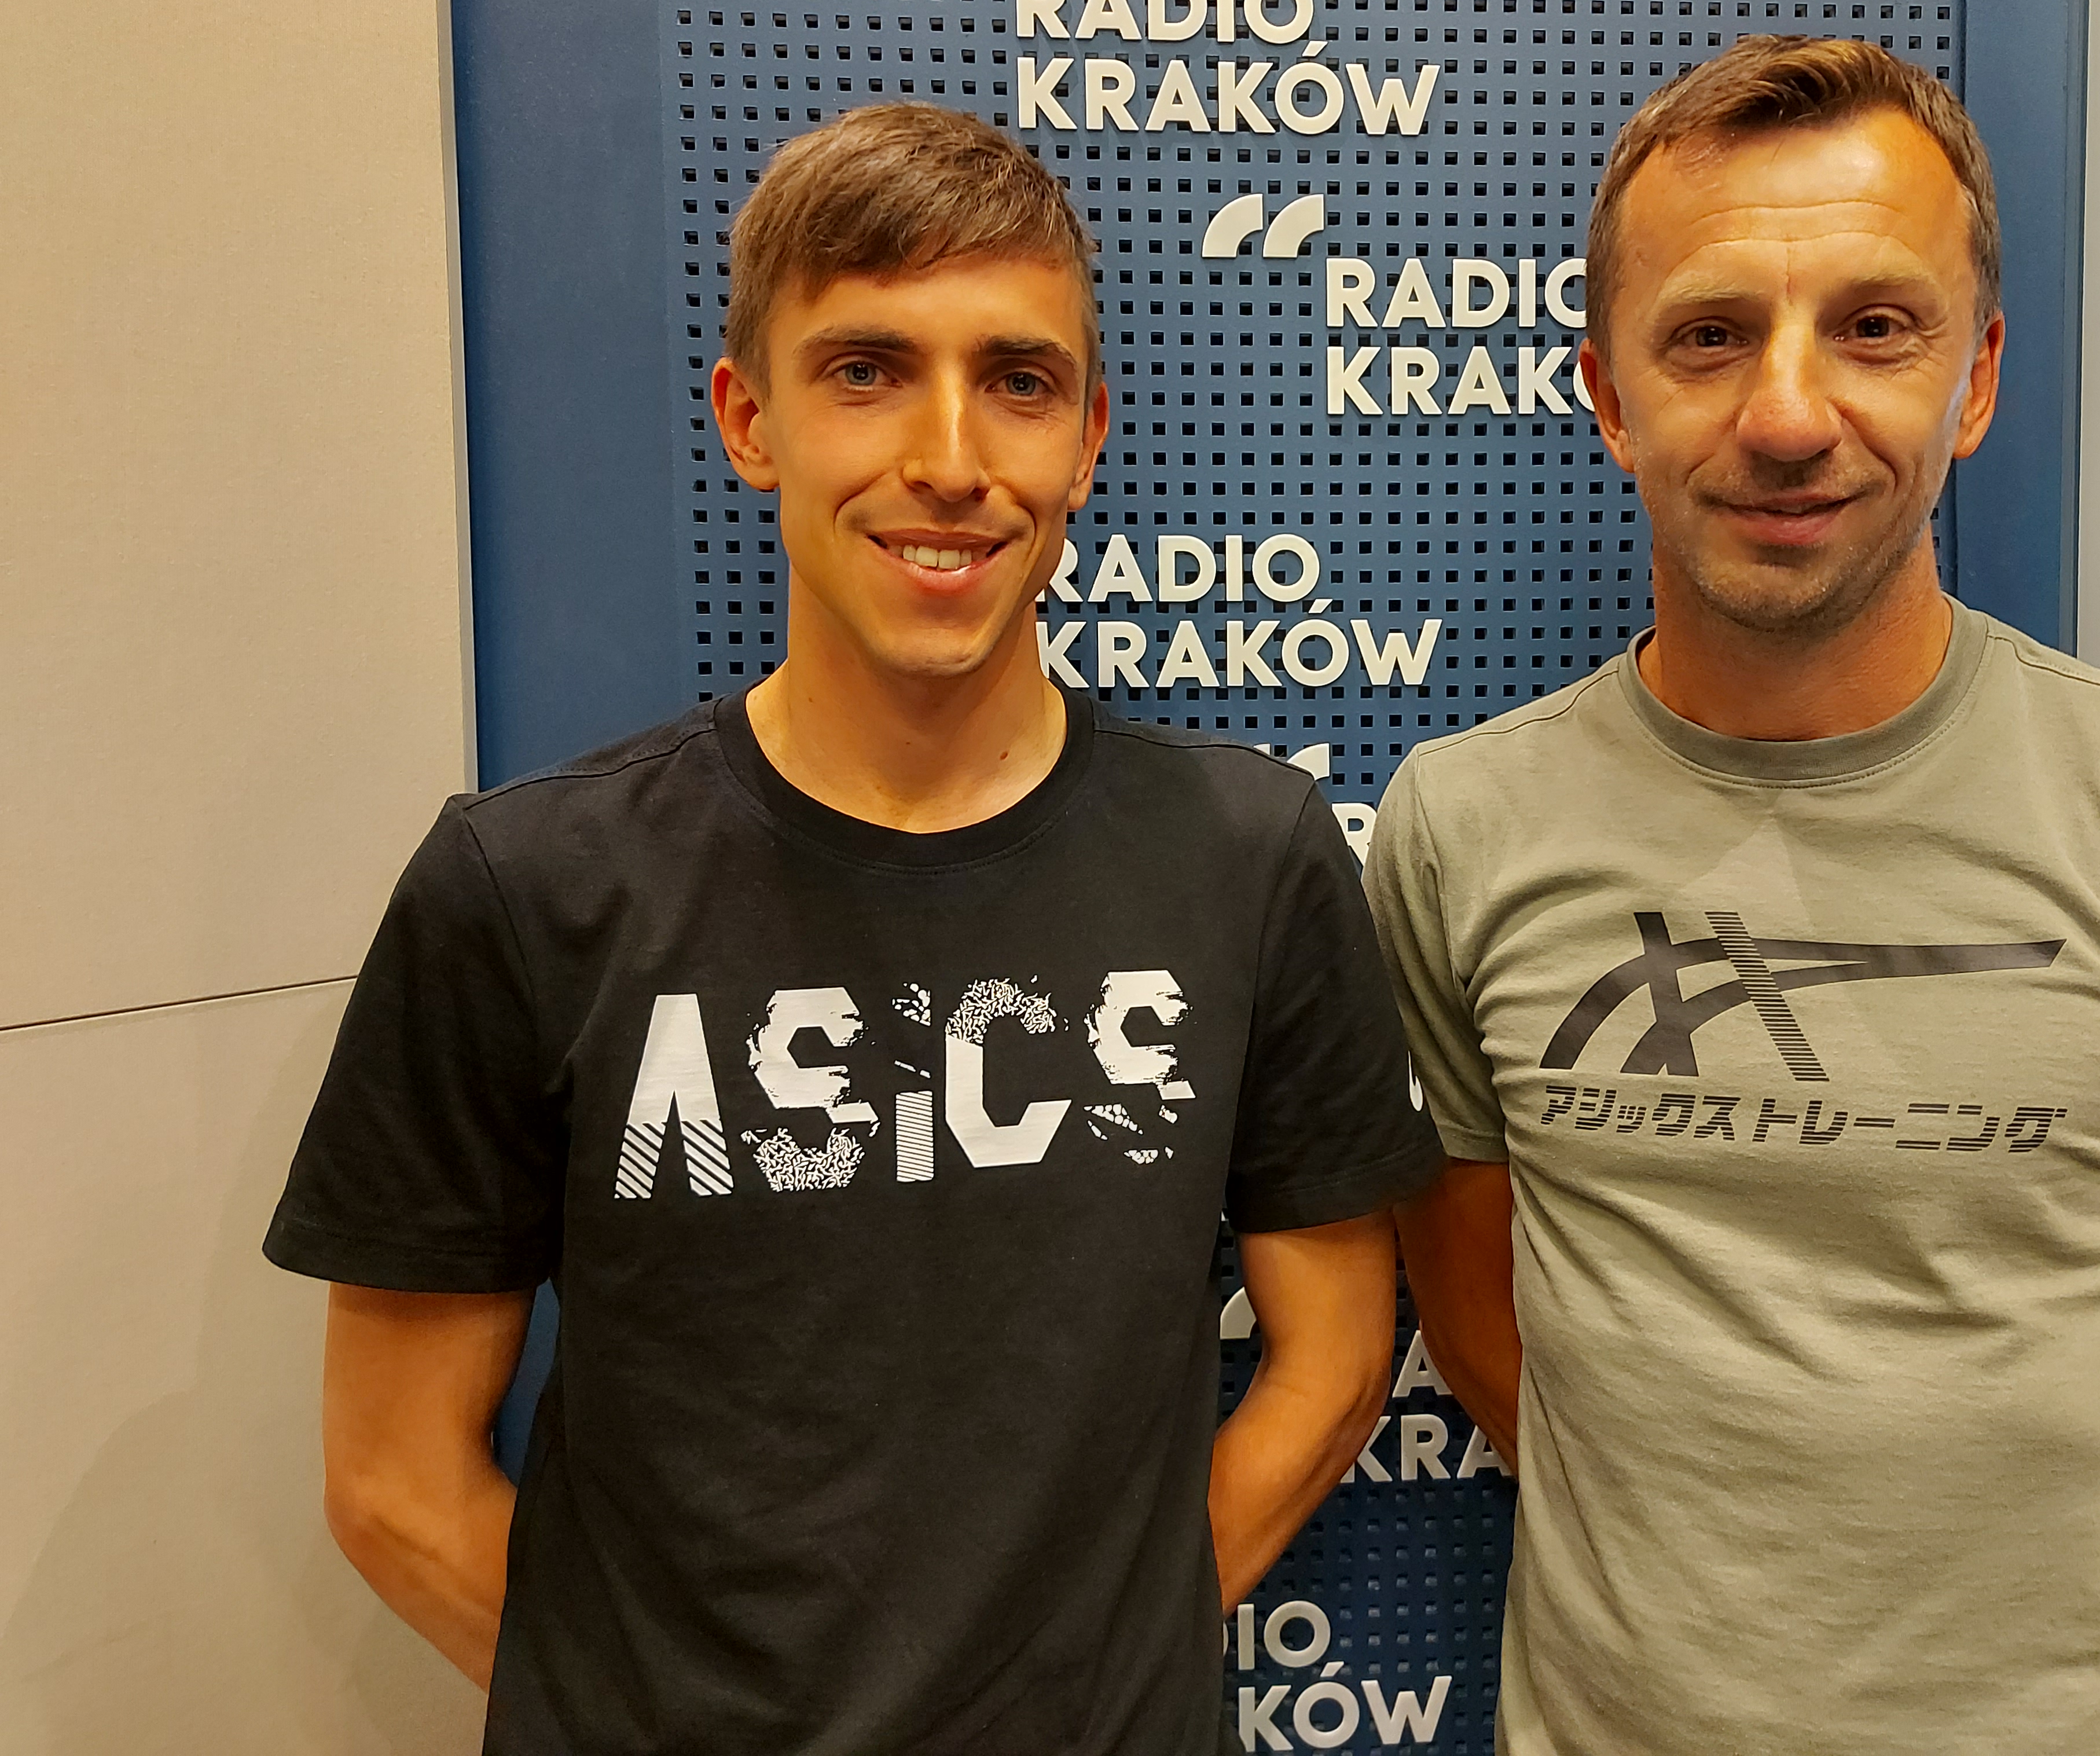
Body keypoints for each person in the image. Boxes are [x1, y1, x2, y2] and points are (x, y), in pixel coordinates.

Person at [263, 102, 1444, 1755]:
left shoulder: (1247, 858)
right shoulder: (525, 887)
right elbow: (393, 1481)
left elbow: (1334, 1363)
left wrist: (1090, 1693)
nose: (950, 458)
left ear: (1088, 438)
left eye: (1018, 381)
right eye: (868, 369)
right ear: (751, 419)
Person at [1367, 38, 2100, 1756]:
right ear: (1609, 395)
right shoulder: (1457, 829)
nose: (1791, 416)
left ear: (1980, 376)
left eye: (1877, 327)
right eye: (1709, 336)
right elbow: (1505, 1348)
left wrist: (2055, 1704)